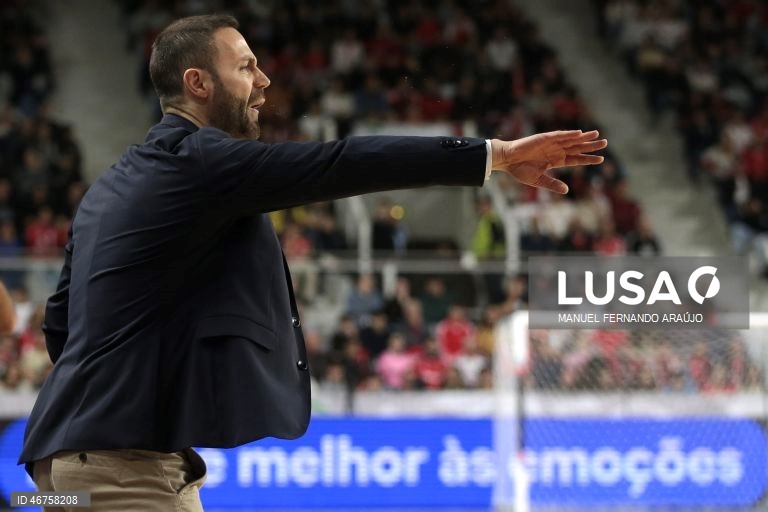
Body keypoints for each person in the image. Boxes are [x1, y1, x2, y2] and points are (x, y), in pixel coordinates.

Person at [18, 14, 607, 511]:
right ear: (198, 83)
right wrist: (492, 156)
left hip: (76, 468)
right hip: (119, 472)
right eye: (246, 66)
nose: (264, 79)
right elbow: (341, 163)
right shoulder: (202, 162)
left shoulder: (110, 186)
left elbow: (61, 325)